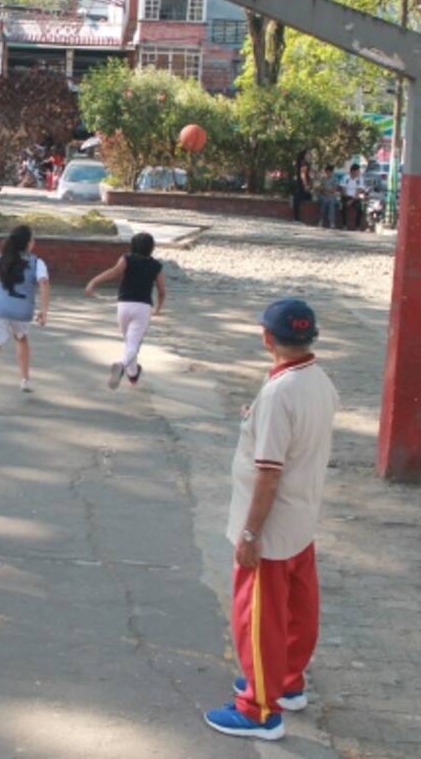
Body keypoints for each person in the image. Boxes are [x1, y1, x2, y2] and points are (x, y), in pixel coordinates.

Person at [203, 299, 339, 742]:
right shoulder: (318, 381)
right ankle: (287, 682)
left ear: (267, 338)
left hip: (272, 525)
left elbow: (268, 472)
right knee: (299, 610)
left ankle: (260, 708)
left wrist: (249, 533)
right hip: (301, 518)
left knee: (258, 618)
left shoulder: (282, 392)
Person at [0, 225, 50, 410]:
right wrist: (44, 309)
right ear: (27, 243)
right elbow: (44, 282)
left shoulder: (0, 259)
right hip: (22, 311)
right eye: (32, 239)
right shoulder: (37, 262)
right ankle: (25, 379)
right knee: (21, 338)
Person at [85, 232, 166, 390]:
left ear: (133, 245)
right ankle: (121, 366)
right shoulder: (156, 266)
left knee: (129, 343)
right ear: (151, 247)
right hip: (143, 307)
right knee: (133, 344)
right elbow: (162, 291)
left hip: (124, 305)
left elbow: (113, 272)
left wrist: (93, 282)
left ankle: (133, 375)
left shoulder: (126, 258)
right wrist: (158, 309)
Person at [342, 163, 364, 231]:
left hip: (355, 198)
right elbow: (343, 189)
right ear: (353, 171)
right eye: (358, 171)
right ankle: (344, 225)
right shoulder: (345, 178)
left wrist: (351, 201)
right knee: (342, 208)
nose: (359, 172)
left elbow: (358, 191)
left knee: (360, 209)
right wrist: (346, 198)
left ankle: (357, 226)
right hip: (346, 196)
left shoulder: (360, 179)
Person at [291, 150, 312, 223]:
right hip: (301, 185)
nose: (309, 156)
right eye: (308, 154)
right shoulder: (304, 163)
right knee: (301, 200)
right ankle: (297, 218)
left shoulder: (299, 163)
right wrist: (306, 185)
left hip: (298, 184)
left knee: (298, 200)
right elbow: (302, 175)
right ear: (304, 155)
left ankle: (297, 218)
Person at [316, 164, 339, 229]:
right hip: (323, 195)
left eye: (329, 172)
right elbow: (318, 188)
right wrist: (325, 190)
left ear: (332, 172)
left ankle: (332, 222)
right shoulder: (323, 178)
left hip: (331, 196)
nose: (328, 173)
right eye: (327, 172)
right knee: (324, 201)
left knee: (331, 202)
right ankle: (321, 220)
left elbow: (334, 190)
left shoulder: (335, 179)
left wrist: (325, 189)